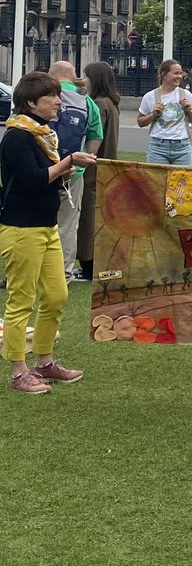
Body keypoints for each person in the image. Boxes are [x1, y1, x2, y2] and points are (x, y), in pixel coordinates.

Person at [0, 71, 96, 394]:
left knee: (57, 295)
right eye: (51, 97)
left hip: (46, 225)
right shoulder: (16, 137)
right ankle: (18, 372)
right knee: (21, 301)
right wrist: (67, 161)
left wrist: (63, 168)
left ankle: (44, 362)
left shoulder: (42, 133)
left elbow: (48, 177)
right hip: (20, 228)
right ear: (31, 103)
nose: (58, 101)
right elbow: (30, 180)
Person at [47, 61, 103, 284]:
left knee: (35, 224)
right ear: (73, 76)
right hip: (72, 169)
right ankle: (62, 274)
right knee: (68, 225)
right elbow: (95, 135)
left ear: (52, 75)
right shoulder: (87, 101)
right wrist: (83, 162)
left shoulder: (42, 94)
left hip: (42, 167)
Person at [75, 61, 120, 282]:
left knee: (87, 219)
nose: (83, 80)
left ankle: (88, 265)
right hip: (105, 166)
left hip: (93, 168)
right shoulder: (110, 103)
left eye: (86, 76)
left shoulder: (99, 105)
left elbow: (93, 135)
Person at [137, 59, 192, 166]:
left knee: (182, 181)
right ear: (164, 74)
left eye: (181, 73)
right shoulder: (150, 96)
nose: (180, 76)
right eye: (176, 73)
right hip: (158, 147)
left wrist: (189, 110)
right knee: (157, 181)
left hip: (182, 147)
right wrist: (153, 114)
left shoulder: (185, 94)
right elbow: (140, 122)